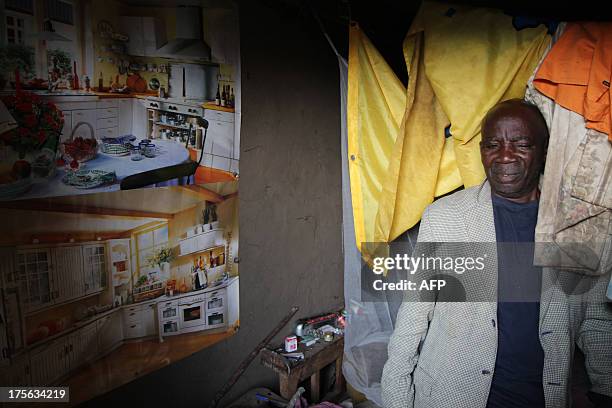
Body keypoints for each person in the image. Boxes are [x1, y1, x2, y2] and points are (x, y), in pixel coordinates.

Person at [381, 99, 612, 408]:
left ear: (544, 152)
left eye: (521, 144)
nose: (505, 156)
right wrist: (396, 399)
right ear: (481, 151)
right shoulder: (445, 217)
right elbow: (413, 318)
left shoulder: (580, 223)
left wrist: (605, 389)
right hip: (452, 396)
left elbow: (596, 320)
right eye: (493, 144)